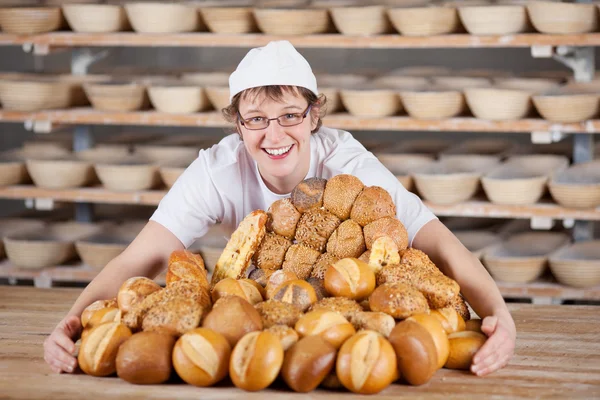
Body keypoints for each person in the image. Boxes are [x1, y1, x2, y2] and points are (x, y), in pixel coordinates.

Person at [44, 40, 515, 377]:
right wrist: (71, 321)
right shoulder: (216, 169)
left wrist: (498, 313)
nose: (274, 135)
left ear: (313, 116)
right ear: (238, 124)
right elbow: (138, 258)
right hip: (258, 321)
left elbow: (435, 239)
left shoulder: (347, 163)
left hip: (340, 325)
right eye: (257, 120)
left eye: (290, 116)